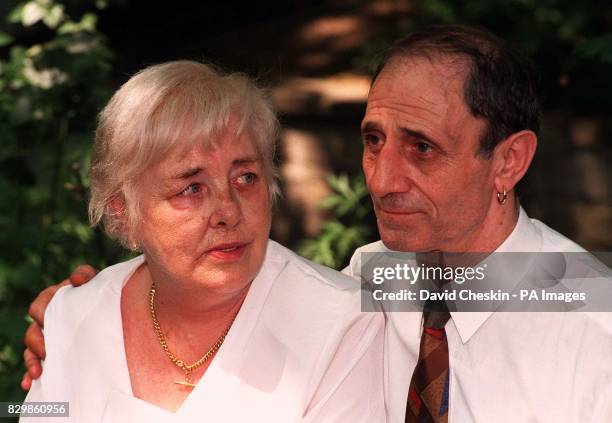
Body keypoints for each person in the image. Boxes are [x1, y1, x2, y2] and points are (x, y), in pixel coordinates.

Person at [23, 25, 612, 422]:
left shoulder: (593, 333)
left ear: (508, 160)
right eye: (374, 140)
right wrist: (83, 314)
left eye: (423, 149)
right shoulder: (377, 276)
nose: (382, 179)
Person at [20, 60, 385, 422]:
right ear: (123, 213)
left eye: (245, 178)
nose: (228, 210)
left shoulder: (338, 323)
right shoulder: (72, 317)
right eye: (191, 188)